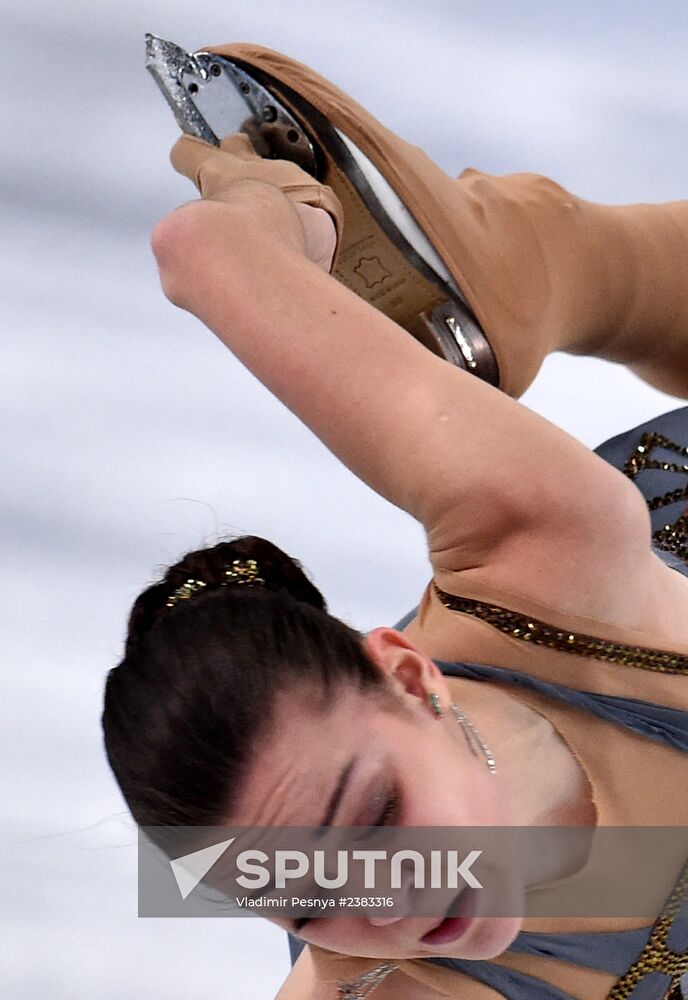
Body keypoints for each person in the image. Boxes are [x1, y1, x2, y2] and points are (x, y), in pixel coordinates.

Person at [102, 43, 688, 1000]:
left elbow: (197, 253)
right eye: (306, 901)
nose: (391, 902)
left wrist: (265, 213)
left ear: (412, 678)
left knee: (564, 451)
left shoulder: (543, 552)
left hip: (639, 558)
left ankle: (512, 263)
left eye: (375, 817)